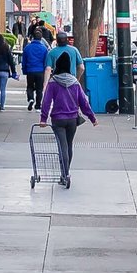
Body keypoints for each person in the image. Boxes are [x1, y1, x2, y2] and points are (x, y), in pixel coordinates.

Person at [38, 60, 97, 188]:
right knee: (69, 146)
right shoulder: (75, 82)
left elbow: (46, 102)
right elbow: (83, 102)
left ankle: (64, 174)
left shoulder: (53, 83)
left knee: (62, 146)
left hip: (58, 119)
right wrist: (92, 118)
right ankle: (66, 173)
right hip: (72, 120)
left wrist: (43, 119)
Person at [21, 25, 50, 109]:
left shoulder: (27, 48)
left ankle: (30, 98)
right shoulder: (44, 49)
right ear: (41, 38)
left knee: (30, 86)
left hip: (30, 70)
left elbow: (24, 61)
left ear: (33, 37)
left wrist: (24, 70)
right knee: (39, 89)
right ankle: (38, 105)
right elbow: (46, 61)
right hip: (40, 71)